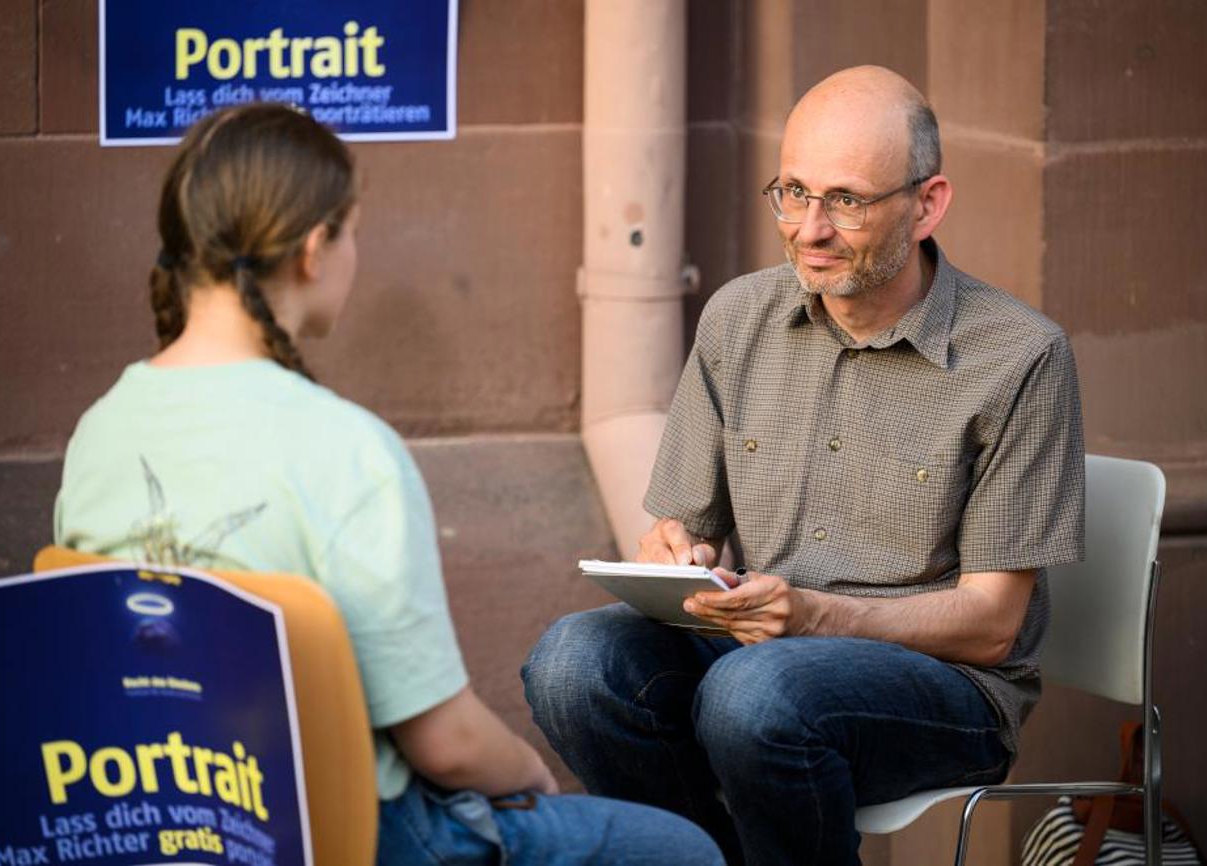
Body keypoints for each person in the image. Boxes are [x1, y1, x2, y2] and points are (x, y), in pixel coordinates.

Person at [54, 103, 724, 866]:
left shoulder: (100, 431)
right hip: (346, 831)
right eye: (354, 233)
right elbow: (446, 743)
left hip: (156, 817)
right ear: (314, 249)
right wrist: (535, 778)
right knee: (681, 850)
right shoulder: (350, 451)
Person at [522, 65, 1085, 866]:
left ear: (927, 204)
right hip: (760, 654)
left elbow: (993, 627)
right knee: (573, 665)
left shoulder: (1019, 357)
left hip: (943, 686)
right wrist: (675, 555)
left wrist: (820, 616)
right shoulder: (738, 316)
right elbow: (684, 524)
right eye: (791, 191)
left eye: (846, 201)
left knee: (753, 697)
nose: (808, 229)